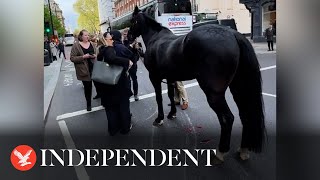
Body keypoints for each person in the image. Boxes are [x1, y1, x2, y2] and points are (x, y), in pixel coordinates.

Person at [97, 32, 133, 136]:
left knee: (110, 108)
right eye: (110, 39)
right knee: (123, 105)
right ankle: (125, 127)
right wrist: (127, 61)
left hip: (105, 83)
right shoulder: (109, 49)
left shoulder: (101, 51)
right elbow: (111, 58)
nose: (112, 40)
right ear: (106, 40)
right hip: (116, 82)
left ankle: (113, 129)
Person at [70, 29, 97, 111]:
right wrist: (83, 57)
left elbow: (96, 53)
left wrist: (94, 56)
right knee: (88, 88)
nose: (87, 36)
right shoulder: (76, 46)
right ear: (81, 36)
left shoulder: (92, 44)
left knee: (99, 85)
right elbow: (72, 58)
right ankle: (89, 104)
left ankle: (101, 98)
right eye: (85, 35)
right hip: (84, 70)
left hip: (95, 68)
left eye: (88, 35)